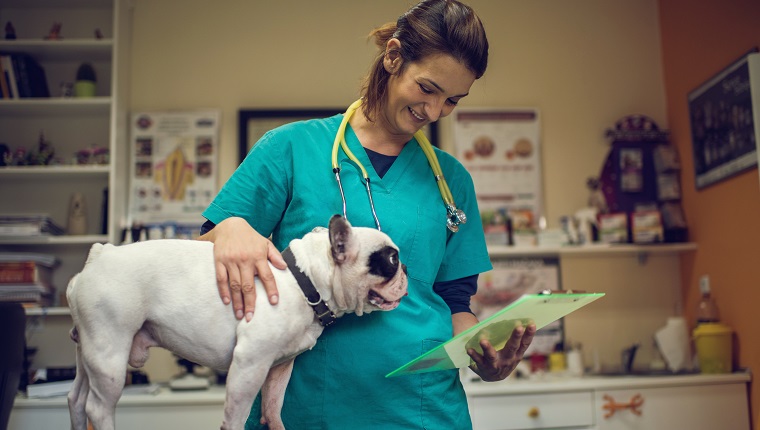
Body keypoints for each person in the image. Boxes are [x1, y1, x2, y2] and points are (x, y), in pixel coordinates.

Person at [198, 1, 536, 428]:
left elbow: (455, 303)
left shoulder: (451, 180)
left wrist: (484, 357)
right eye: (428, 89)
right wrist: (229, 227)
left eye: (452, 100)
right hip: (306, 406)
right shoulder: (290, 149)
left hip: (424, 409)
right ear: (393, 56)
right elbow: (210, 246)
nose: (433, 111)